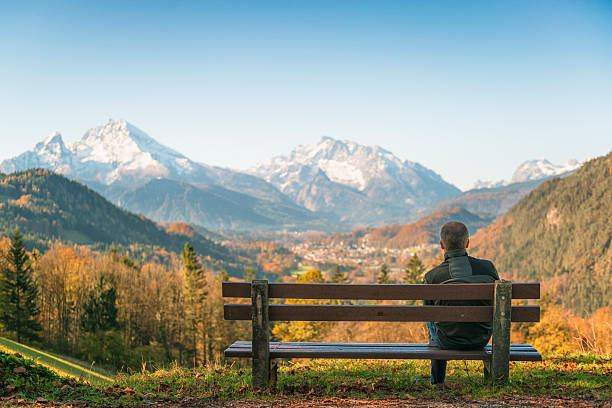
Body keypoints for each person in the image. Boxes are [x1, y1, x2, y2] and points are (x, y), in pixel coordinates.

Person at [423, 221, 499, 384]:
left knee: (431, 317)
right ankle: (493, 378)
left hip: (446, 341)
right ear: (468, 243)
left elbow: (427, 313)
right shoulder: (488, 269)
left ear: (442, 245)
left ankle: (437, 381)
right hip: (481, 338)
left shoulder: (432, 276)